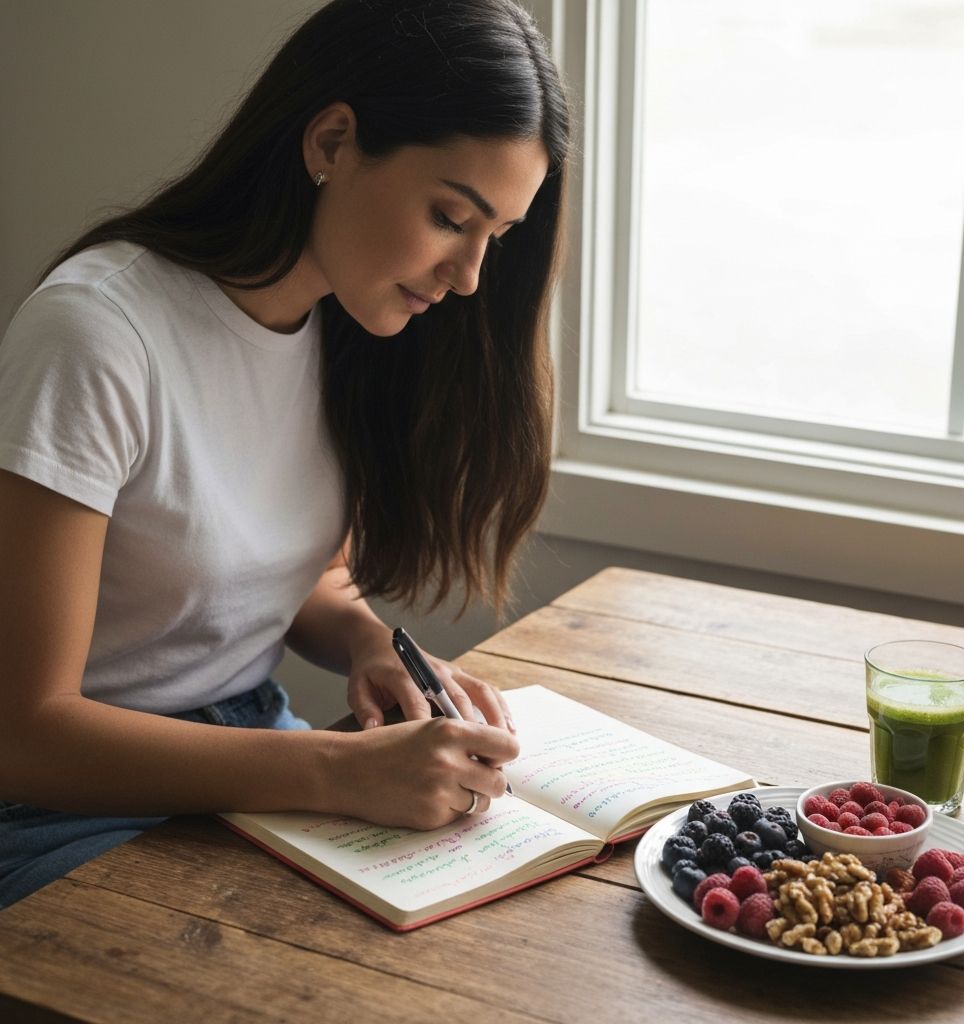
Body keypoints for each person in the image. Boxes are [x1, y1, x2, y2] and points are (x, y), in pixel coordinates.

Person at [0, 0, 569, 908]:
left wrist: (369, 639)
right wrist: (340, 771)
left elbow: (278, 567)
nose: (468, 278)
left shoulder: (341, 326)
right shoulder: (99, 334)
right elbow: (25, 733)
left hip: (255, 752)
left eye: (493, 239)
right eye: (450, 216)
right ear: (333, 141)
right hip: (60, 801)